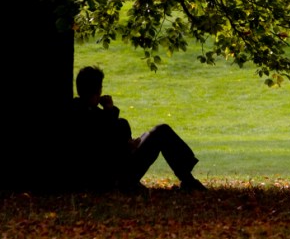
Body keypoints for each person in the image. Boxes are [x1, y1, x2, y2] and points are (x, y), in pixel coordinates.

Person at [68, 65, 207, 193]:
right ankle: (188, 178)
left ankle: (187, 177)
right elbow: (102, 143)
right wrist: (110, 110)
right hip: (115, 176)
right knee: (161, 132)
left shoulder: (82, 110)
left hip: (116, 169)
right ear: (95, 91)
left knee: (157, 132)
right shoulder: (88, 114)